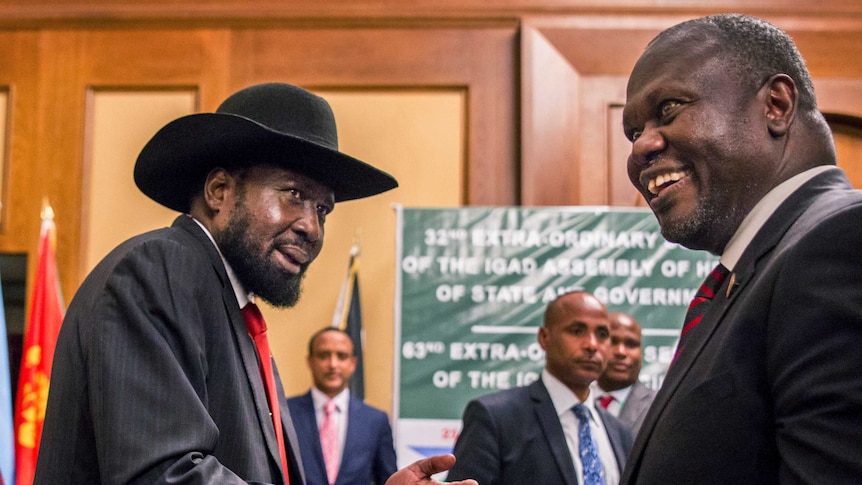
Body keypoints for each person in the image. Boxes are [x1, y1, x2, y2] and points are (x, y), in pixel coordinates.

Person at [34, 82, 476, 485]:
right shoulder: (159, 268)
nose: (312, 228)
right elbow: (167, 476)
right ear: (219, 191)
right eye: (294, 195)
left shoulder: (232, 309)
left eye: (323, 210)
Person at [620, 13, 862, 484]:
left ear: (776, 104)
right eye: (633, 132)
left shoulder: (841, 244)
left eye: (668, 108)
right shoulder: (755, 275)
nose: (641, 146)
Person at [446, 291, 632, 485]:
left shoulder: (620, 433)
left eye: (602, 334)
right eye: (577, 331)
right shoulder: (496, 418)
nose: (592, 345)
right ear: (544, 338)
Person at [288, 327, 397, 485]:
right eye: (324, 355)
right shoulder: (284, 413)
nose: (333, 364)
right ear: (310, 361)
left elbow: (388, 480)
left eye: (342, 356)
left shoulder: (375, 420)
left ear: (353, 363)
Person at [594, 312, 656, 437]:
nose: (621, 352)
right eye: (612, 342)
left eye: (631, 344)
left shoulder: (659, 407)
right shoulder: (576, 401)